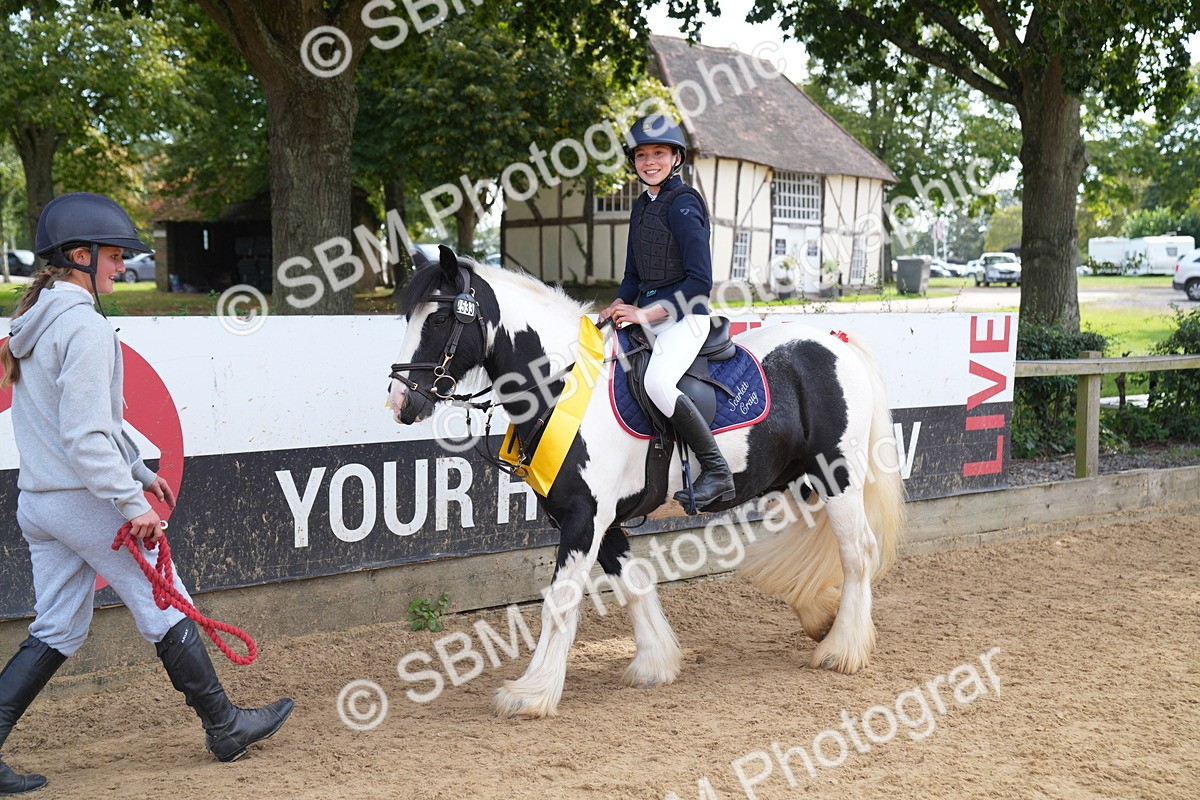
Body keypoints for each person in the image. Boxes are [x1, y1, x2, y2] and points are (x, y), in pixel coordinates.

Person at [0, 193, 293, 795]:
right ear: (79, 256)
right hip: (84, 502)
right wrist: (132, 504)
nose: (122, 266)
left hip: (42, 502)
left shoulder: (33, 324)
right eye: (113, 255)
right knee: (164, 602)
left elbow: (84, 423)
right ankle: (225, 726)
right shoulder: (82, 326)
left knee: (58, 626)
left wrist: (136, 469)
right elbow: (85, 436)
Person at [598, 114, 735, 509]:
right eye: (641, 154)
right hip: (648, 316)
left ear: (676, 158)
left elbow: (699, 282)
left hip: (686, 317)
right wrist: (621, 303)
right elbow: (632, 274)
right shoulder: (641, 206)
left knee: (658, 383)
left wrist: (645, 315)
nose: (649, 161)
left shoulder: (684, 202)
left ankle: (717, 470)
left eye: (658, 153)